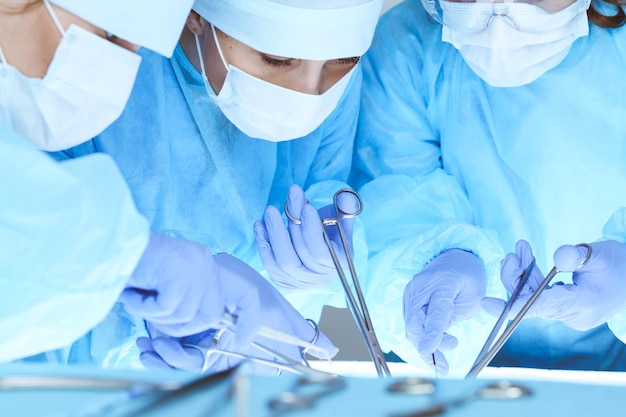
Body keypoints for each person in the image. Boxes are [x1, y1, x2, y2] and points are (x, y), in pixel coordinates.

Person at [50, 0, 383, 372]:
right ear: (194, 13)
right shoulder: (95, 63)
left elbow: (325, 182)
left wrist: (316, 257)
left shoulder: (334, 81)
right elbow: (32, 230)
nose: (309, 93)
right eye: (275, 59)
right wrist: (146, 289)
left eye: (343, 60)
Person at [348, 0, 626, 376]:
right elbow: (396, 197)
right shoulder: (407, 44)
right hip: (460, 349)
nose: (500, 24)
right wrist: (442, 258)